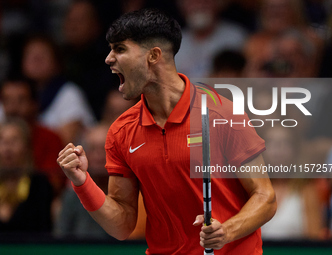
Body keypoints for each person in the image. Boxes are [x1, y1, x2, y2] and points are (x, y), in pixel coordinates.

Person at [57, 8, 276, 254]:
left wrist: (227, 231)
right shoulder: (121, 131)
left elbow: (265, 197)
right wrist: (82, 182)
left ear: (153, 55)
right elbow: (122, 226)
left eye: (120, 49)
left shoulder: (222, 114)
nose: (108, 58)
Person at [0, 118, 53, 233]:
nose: (7, 148)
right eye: (3, 141)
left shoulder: (40, 185)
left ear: (27, 147)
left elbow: (43, 231)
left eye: (14, 141)